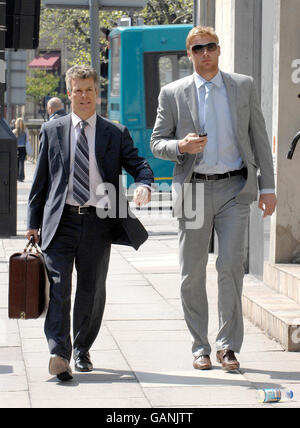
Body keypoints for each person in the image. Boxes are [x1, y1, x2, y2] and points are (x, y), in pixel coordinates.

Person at [151, 26, 277, 372]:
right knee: (192, 272)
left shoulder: (242, 86)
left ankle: (227, 347)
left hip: (235, 188)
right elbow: (156, 142)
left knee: (230, 267)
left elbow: (259, 137)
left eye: (210, 47)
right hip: (192, 189)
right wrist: (181, 146)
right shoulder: (173, 93)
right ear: (189, 55)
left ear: (219, 51)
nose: (205, 53)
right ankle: (200, 347)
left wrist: (268, 187)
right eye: (197, 49)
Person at [26, 65, 153, 382]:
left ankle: (82, 349)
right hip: (61, 220)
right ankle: (59, 352)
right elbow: (41, 181)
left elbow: (139, 166)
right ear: (69, 93)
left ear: (97, 93)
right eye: (78, 90)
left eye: (89, 90)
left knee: (91, 290)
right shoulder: (52, 130)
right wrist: (31, 223)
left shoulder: (115, 132)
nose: (84, 96)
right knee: (58, 287)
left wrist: (144, 185)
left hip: (98, 222)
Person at [13, 117, 30, 182]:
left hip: (16, 148)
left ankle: (16, 176)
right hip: (23, 148)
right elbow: (27, 139)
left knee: (16, 162)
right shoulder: (25, 130)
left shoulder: (14, 131)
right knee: (21, 162)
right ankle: (21, 177)